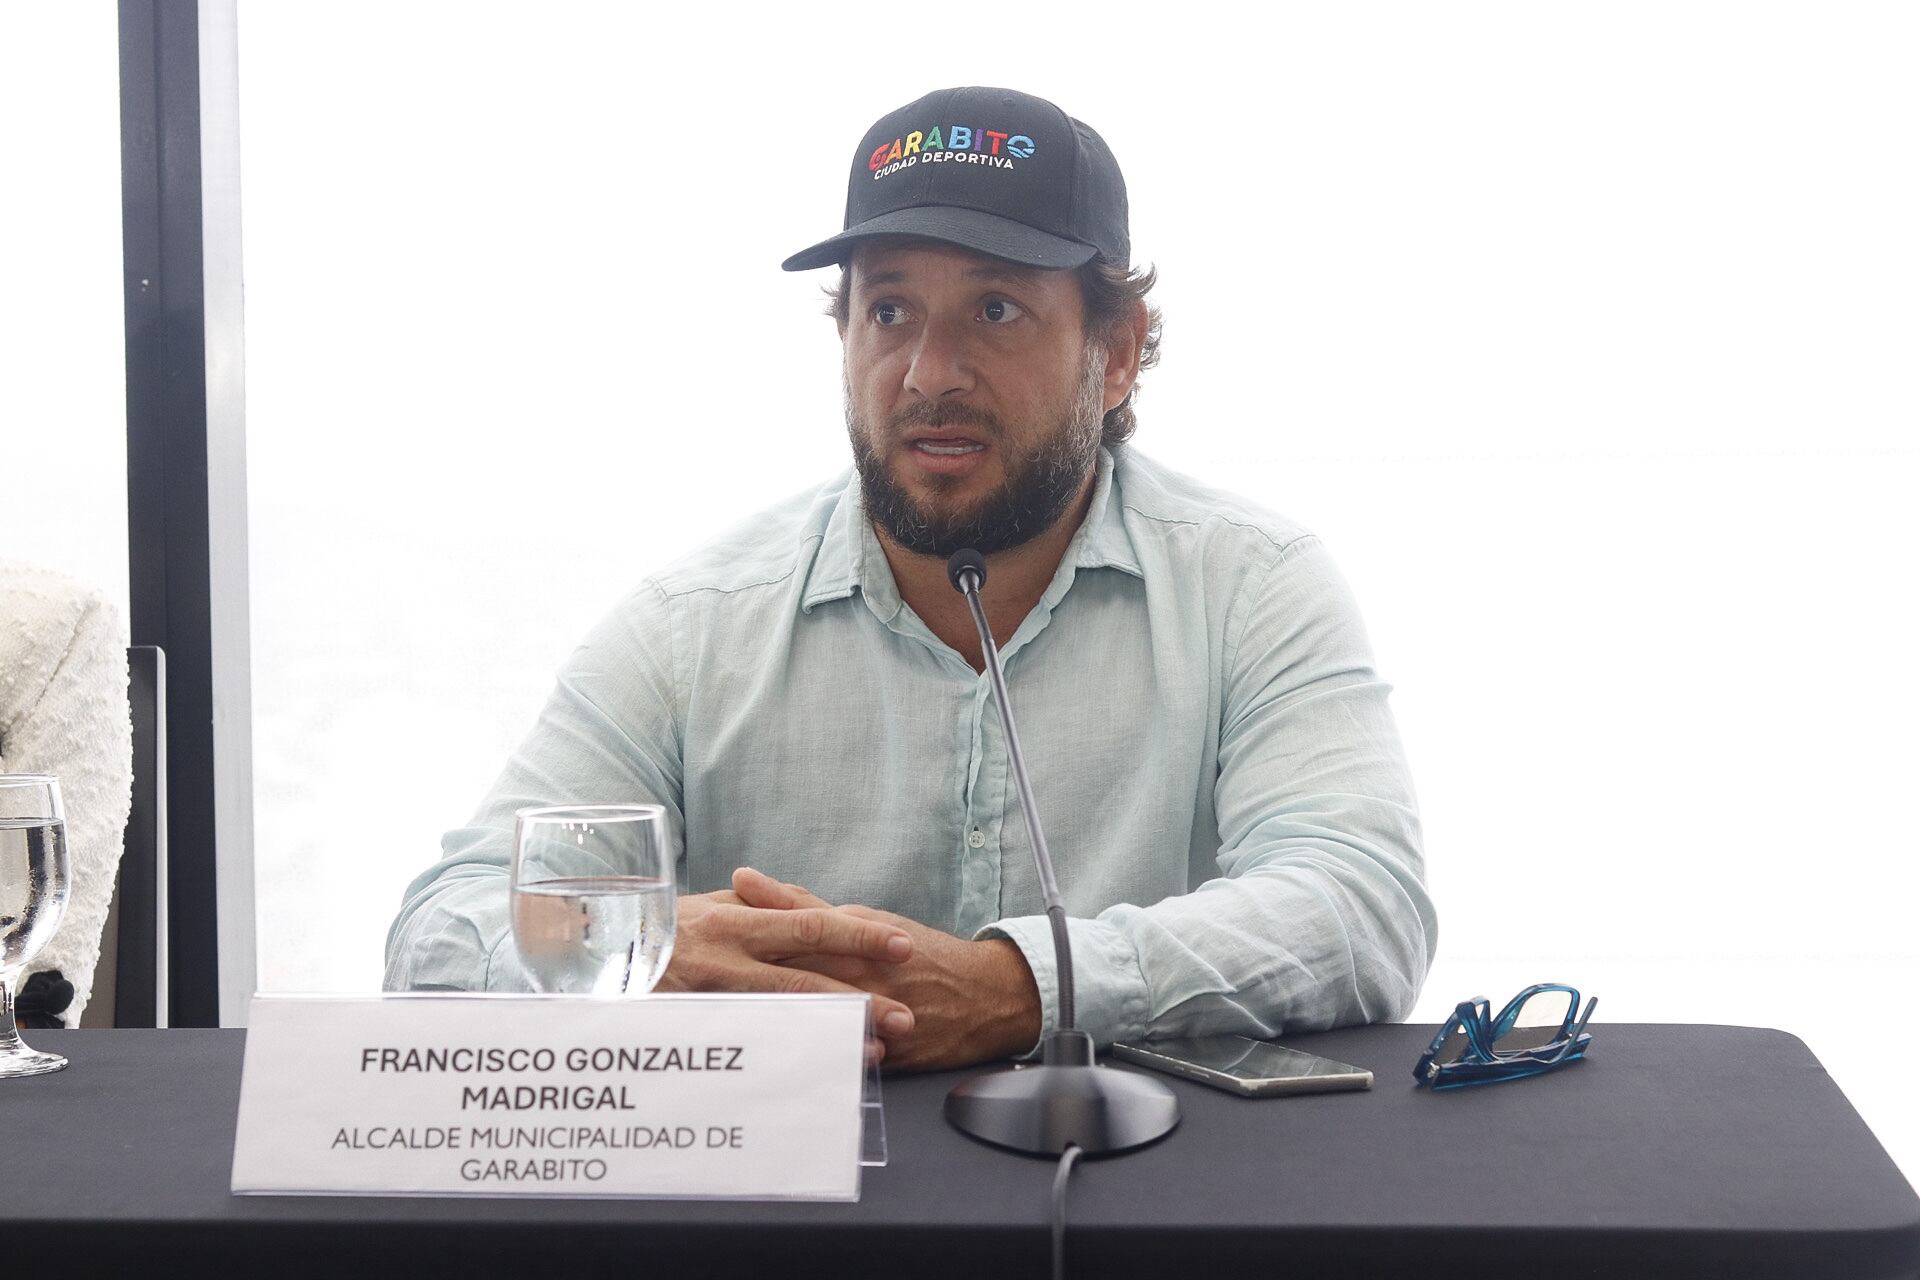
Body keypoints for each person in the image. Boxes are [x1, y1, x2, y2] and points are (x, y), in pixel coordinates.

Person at [385, 86, 1437, 1071]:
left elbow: (1360, 900)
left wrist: (1016, 985)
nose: (931, 374)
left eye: (996, 311)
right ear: (843, 336)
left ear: (1116, 352)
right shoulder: (691, 626)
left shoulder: (1253, 586)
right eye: (890, 311)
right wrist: (633, 952)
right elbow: (442, 926)